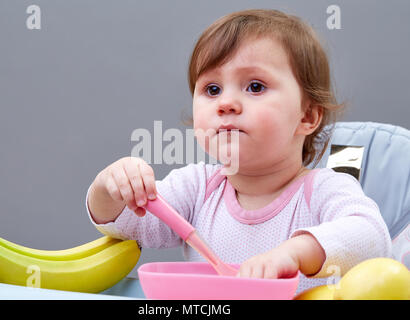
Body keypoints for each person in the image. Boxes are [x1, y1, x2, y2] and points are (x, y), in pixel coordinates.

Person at [85, 9, 392, 293]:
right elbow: (127, 224)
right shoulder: (198, 189)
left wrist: (294, 253)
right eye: (212, 89)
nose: (225, 103)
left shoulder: (324, 190)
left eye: (255, 86)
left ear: (307, 116)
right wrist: (111, 186)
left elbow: (371, 237)